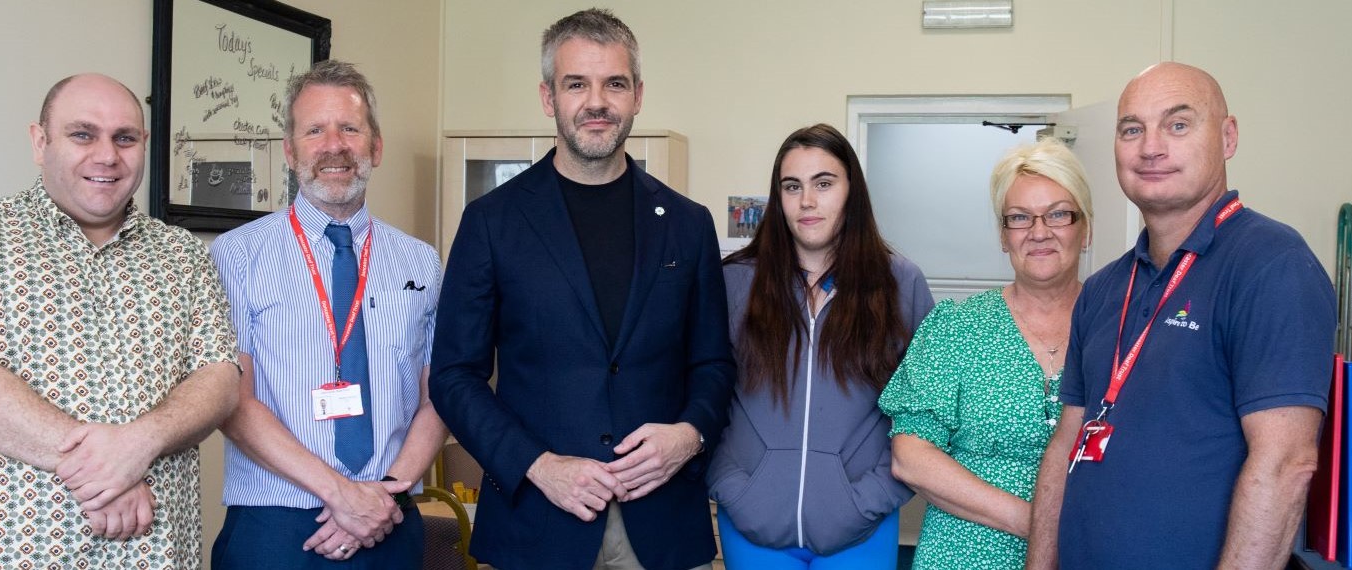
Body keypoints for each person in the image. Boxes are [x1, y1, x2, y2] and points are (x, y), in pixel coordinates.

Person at [0, 73, 240, 569]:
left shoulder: (183, 253)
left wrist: (137, 445)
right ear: (40, 141)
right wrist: (104, 470)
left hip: (158, 552)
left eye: (124, 138)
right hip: (14, 553)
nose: (106, 155)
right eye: (82, 134)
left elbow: (220, 380)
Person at [430, 8, 736, 570]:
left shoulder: (687, 224)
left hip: (660, 523)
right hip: (537, 521)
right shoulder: (492, 221)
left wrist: (690, 435)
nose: (597, 102)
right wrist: (537, 465)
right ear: (548, 97)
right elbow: (454, 376)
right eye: (576, 84)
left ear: (637, 95)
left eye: (614, 83)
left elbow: (714, 363)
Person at [1026, 62, 1334, 569]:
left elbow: (1285, 464)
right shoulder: (1104, 288)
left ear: (1228, 137)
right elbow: (1067, 444)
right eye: (1132, 130)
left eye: (1178, 124)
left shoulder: (1271, 265)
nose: (1151, 147)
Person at [209, 60, 445, 568]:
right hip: (276, 526)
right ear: (290, 151)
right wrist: (341, 495)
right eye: (315, 130)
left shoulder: (422, 263)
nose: (334, 145)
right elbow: (232, 402)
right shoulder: (235, 256)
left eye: (350, 129)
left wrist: (382, 497)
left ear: (376, 147)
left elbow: (440, 396)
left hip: (391, 520)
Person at [707, 124, 933, 570]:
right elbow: (702, 390)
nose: (807, 201)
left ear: (852, 191)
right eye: (792, 186)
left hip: (861, 527)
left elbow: (926, 412)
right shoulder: (734, 281)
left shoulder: (900, 283)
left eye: (824, 184)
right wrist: (732, 487)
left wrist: (873, 497)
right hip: (751, 522)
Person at [878, 138, 1093, 569]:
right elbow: (911, 457)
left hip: (1088, 552)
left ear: (1084, 228)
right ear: (1002, 235)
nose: (1038, 232)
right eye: (1019, 218)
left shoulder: (1120, 326)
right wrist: (1037, 524)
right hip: (964, 554)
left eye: (1057, 214)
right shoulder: (956, 327)